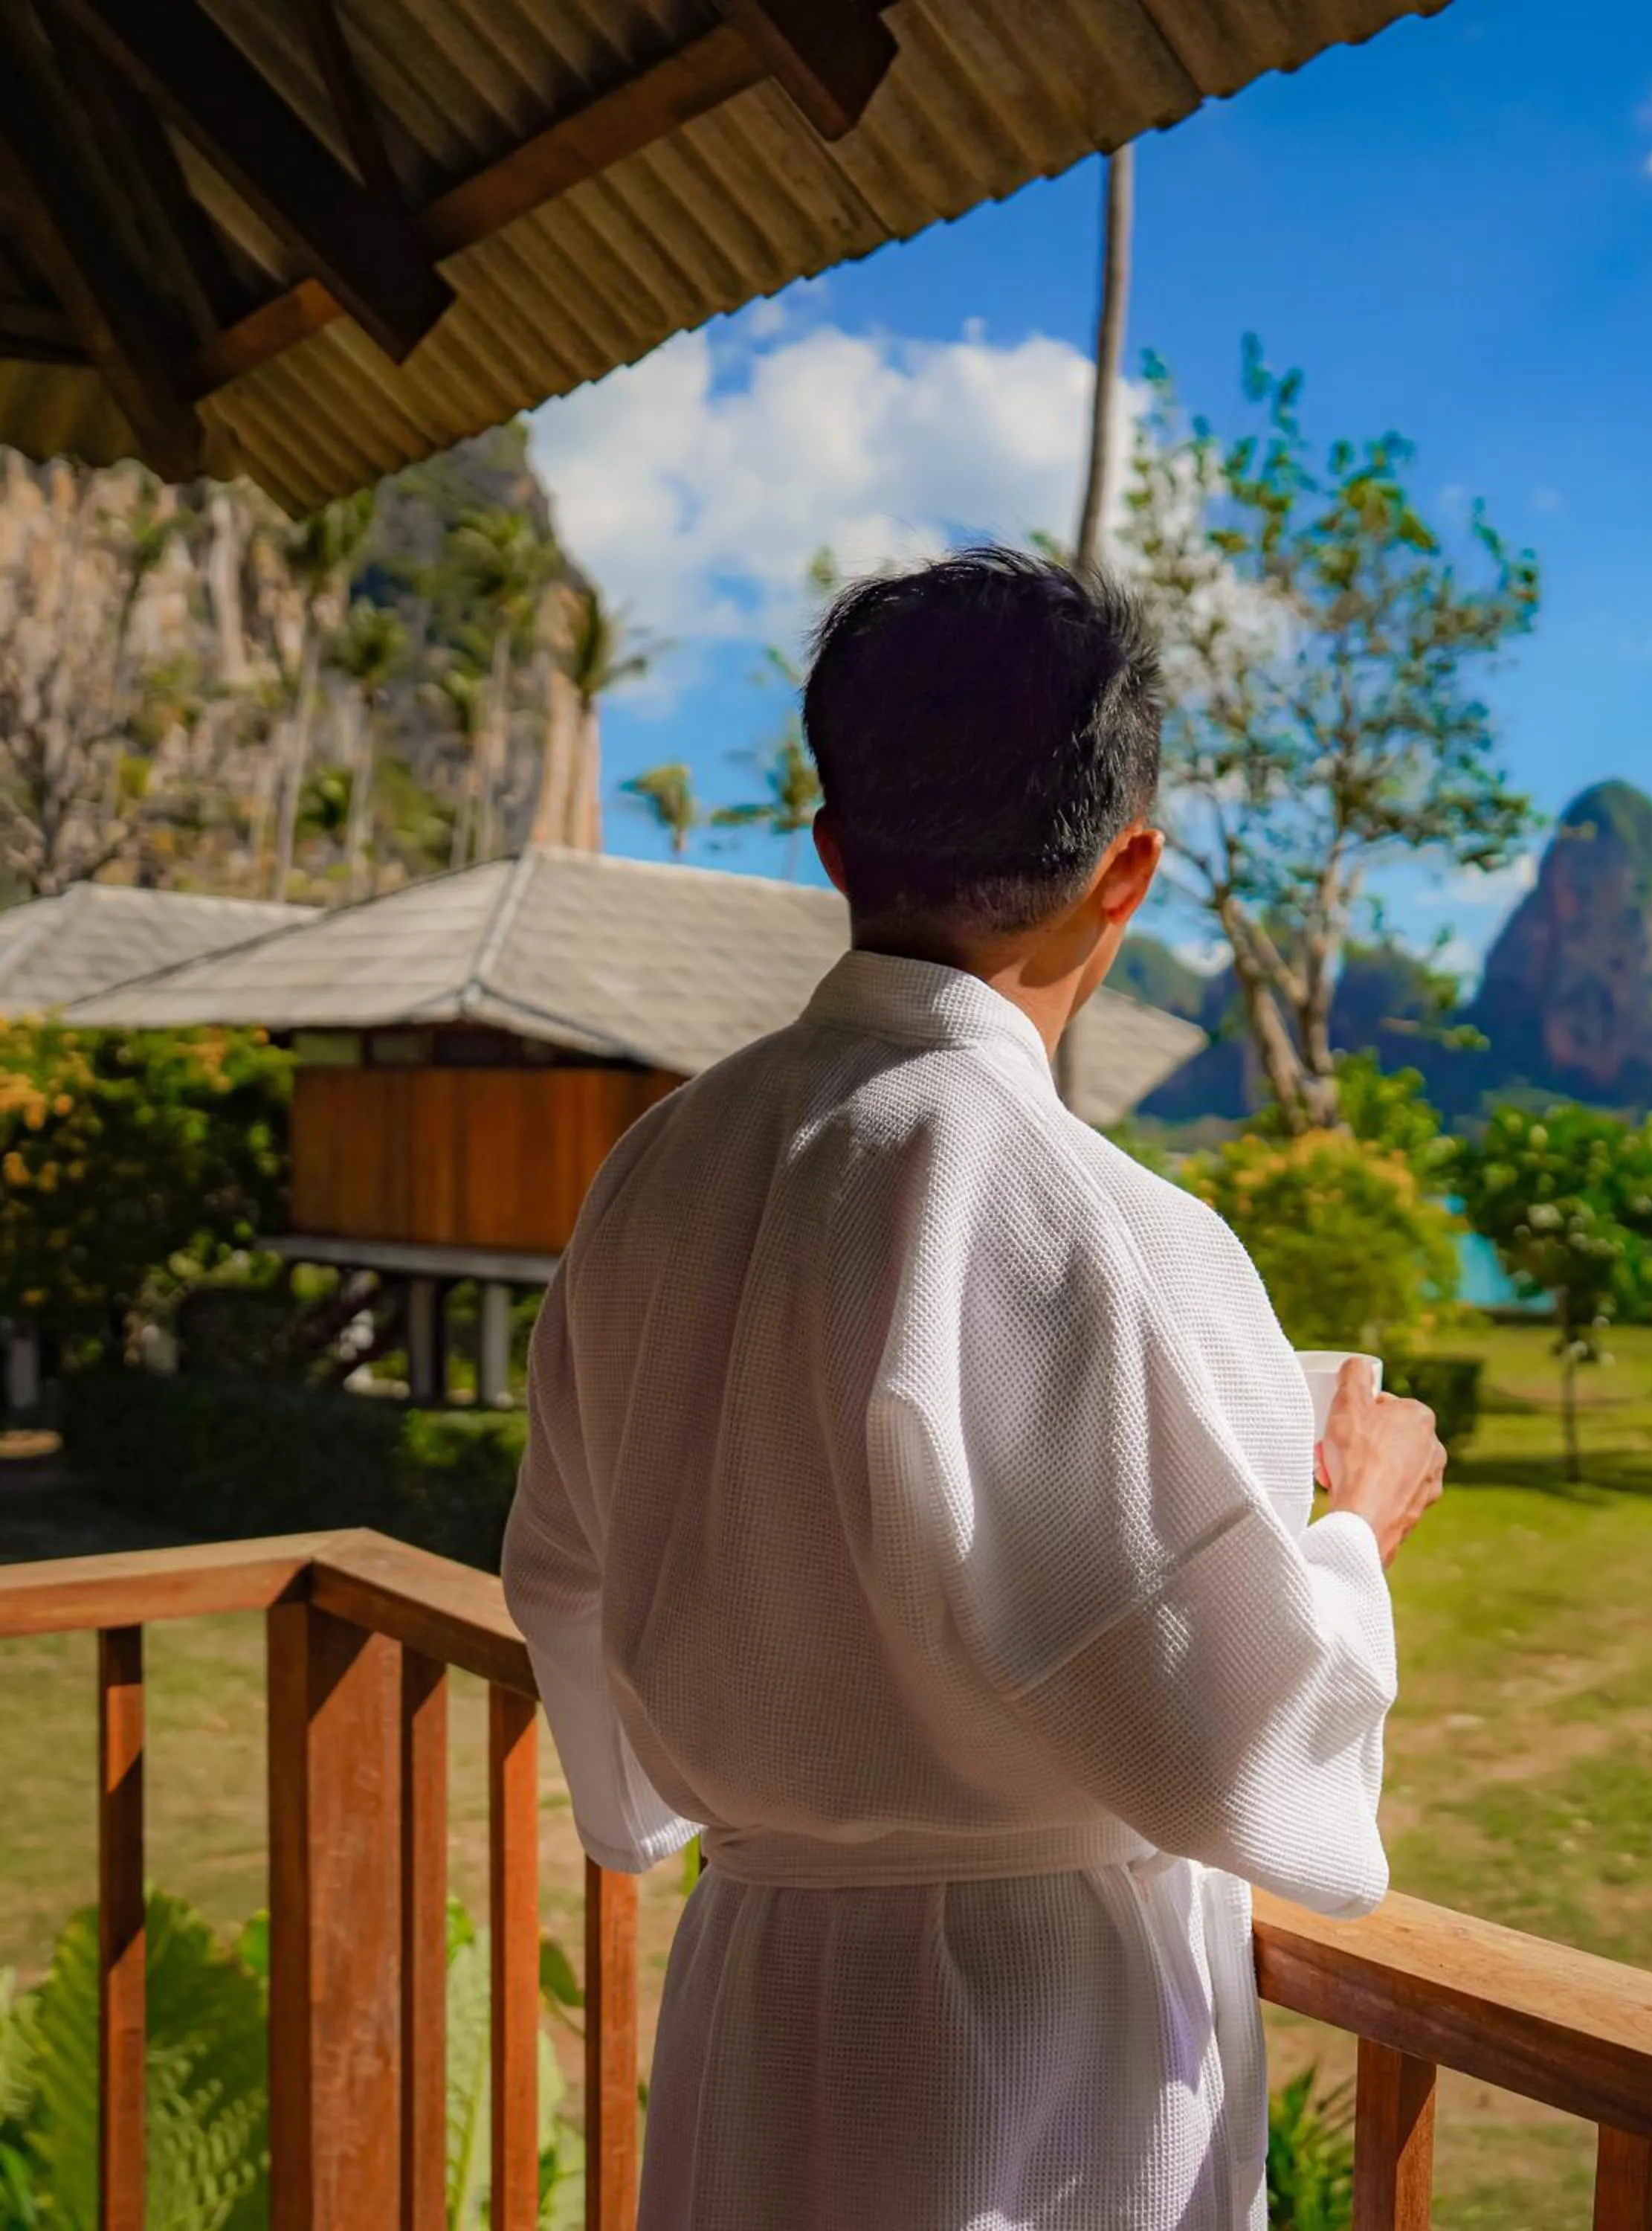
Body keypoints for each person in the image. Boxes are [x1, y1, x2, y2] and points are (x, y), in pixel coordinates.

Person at [502, 548, 1446, 2231]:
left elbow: (568, 1566)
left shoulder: (660, 1166)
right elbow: (1227, 1722)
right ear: (1128, 867)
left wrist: (653, 1798)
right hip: (1038, 2033)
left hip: (763, 1978)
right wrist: (1356, 1525)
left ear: (836, 846)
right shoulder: (1101, 1217)